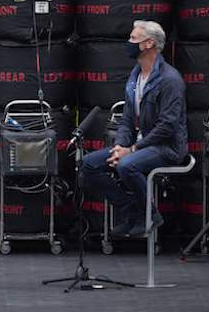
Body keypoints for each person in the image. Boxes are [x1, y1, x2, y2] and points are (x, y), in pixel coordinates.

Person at [80, 20, 188, 237]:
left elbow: (167, 127)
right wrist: (119, 145)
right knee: (88, 164)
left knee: (127, 165)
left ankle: (149, 213)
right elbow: (127, 120)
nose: (128, 43)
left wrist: (132, 150)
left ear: (148, 44)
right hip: (140, 145)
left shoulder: (170, 80)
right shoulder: (135, 76)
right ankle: (131, 210)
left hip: (166, 147)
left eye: (133, 39)